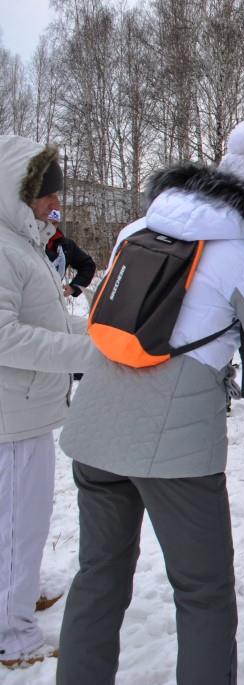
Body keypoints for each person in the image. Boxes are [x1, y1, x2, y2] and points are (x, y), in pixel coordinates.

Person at [55, 119, 244, 685]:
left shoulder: (136, 229)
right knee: (203, 593)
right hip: (176, 448)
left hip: (96, 421)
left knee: (98, 577)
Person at [0, 136, 99, 669]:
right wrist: (87, 351)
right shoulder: (3, 249)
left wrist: (100, 335)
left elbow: (47, 321)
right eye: (47, 194)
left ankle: (19, 591)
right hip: (11, 417)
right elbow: (4, 337)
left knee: (22, 519)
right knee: (18, 524)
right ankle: (11, 635)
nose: (55, 204)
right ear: (18, 192)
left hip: (25, 408)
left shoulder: (21, 244)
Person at [43, 209, 96, 298]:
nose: (50, 227)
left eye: (54, 223)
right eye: (47, 223)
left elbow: (88, 265)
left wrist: (74, 287)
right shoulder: (29, 242)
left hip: (53, 299)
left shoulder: (66, 245)